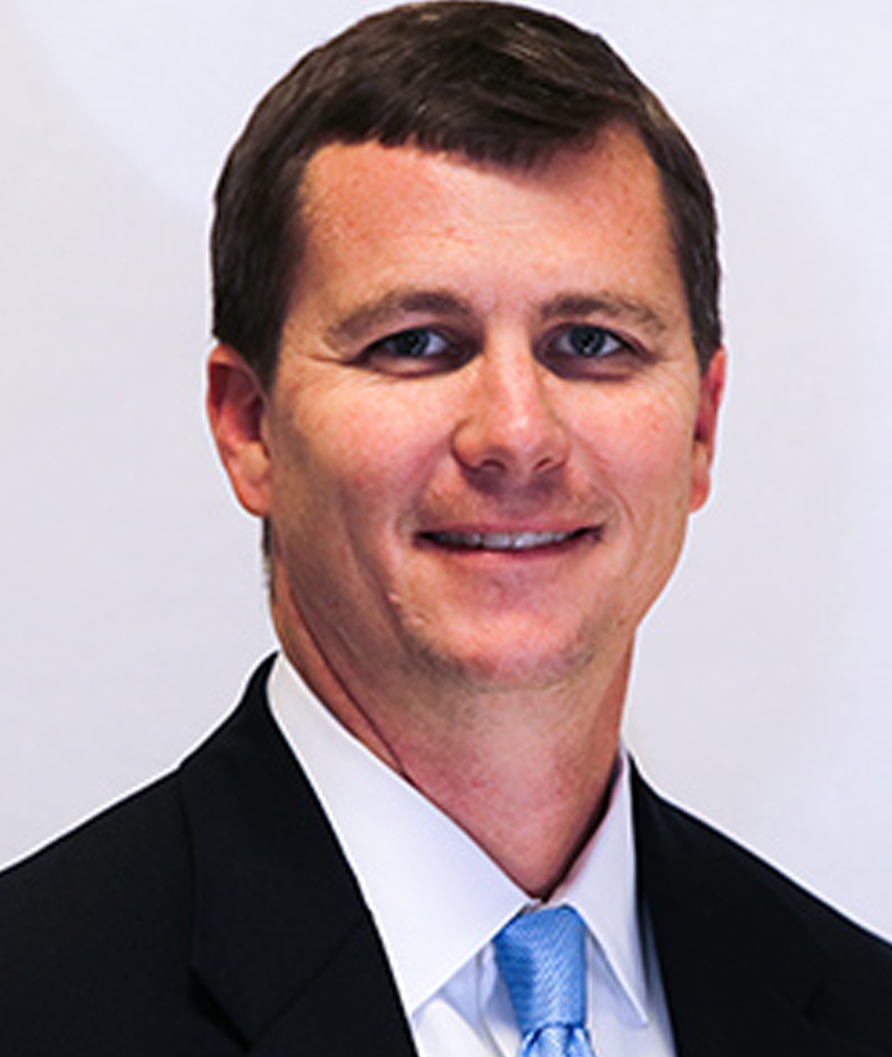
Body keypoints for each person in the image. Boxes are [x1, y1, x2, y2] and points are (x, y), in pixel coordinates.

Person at [1, 2, 890, 1054]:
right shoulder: (33, 999)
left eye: (590, 341)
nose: (516, 434)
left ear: (698, 426)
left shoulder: (858, 1006)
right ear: (249, 428)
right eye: (417, 341)